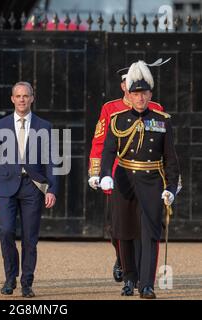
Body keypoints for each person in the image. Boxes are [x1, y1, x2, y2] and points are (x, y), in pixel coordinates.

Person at [100, 61, 180, 299]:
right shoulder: (117, 120)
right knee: (124, 232)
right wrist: (105, 174)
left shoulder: (163, 120)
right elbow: (108, 151)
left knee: (150, 234)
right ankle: (129, 279)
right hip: (124, 181)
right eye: (136, 93)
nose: (140, 98)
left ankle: (147, 284)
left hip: (152, 181)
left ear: (150, 94)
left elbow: (171, 158)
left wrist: (172, 187)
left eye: (144, 93)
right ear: (129, 94)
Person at [88, 68, 164, 283]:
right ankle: (122, 259)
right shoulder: (110, 108)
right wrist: (96, 172)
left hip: (147, 177)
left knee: (144, 227)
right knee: (117, 228)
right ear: (124, 86)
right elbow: (100, 142)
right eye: (127, 83)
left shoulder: (156, 109)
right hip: (117, 176)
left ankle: (139, 275)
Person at [0, 81, 58, 298]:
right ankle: (10, 278)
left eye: (26, 95)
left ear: (32, 98)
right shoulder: (0, 125)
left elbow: (52, 161)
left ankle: (27, 282)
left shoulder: (44, 126)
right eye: (18, 96)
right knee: (6, 231)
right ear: (12, 99)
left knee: (30, 238)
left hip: (33, 187)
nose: (22, 99)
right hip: (5, 186)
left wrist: (51, 188)